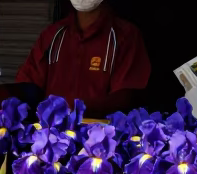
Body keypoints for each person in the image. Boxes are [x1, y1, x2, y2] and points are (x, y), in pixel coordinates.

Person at [13, 0, 149, 117]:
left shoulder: (125, 36)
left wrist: (72, 112)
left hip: (100, 142)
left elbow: (123, 100)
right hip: (52, 139)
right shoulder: (53, 35)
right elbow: (27, 86)